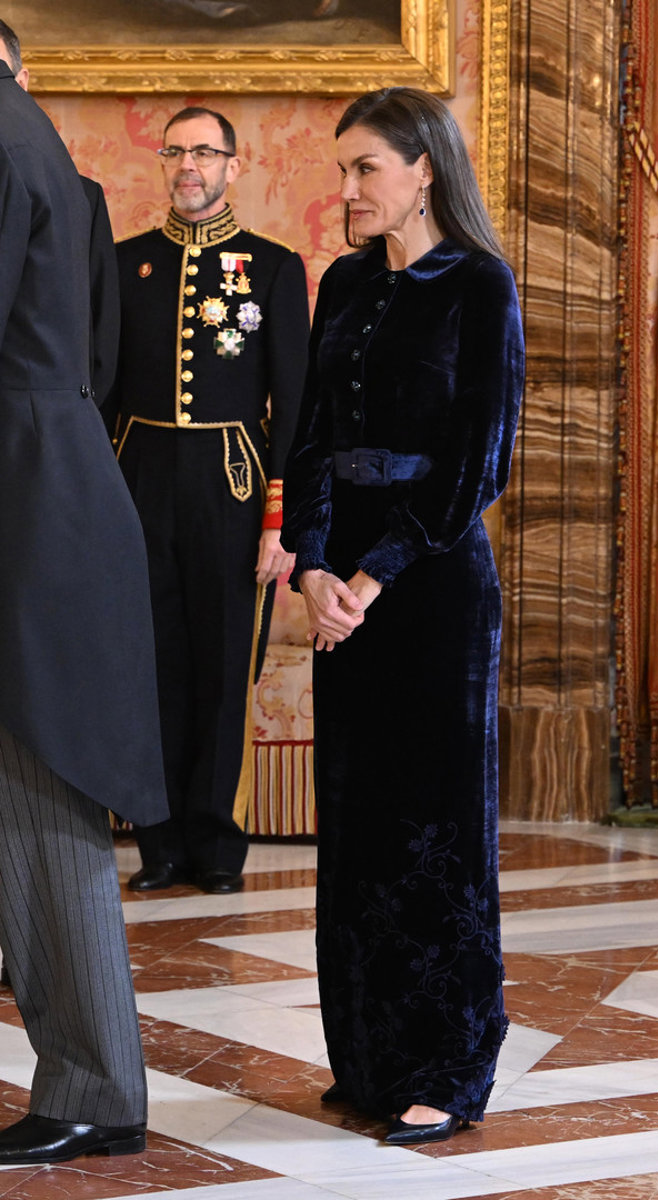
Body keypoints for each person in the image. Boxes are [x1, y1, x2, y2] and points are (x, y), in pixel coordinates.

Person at [282, 86, 525, 1145]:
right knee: (359, 832)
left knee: (436, 834)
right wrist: (311, 571)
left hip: (431, 593)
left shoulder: (480, 284)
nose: (347, 189)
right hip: (343, 593)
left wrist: (371, 578)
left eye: (365, 168)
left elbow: (480, 461)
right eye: (342, 170)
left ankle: (448, 1066)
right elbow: (308, 440)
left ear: (424, 169)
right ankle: (372, 1059)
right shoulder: (341, 283)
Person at [0, 17, 168, 1164]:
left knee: (43, 796)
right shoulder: (28, 131)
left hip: (31, 505)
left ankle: (97, 1090)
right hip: (44, 482)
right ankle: (86, 1080)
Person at [106, 106, 309, 895]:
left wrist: (279, 520)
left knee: (225, 668)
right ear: (162, 162)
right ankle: (157, 845)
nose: (188, 165)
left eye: (204, 152)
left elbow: (293, 404)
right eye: (176, 151)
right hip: (138, 478)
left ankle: (218, 846)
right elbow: (102, 390)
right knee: (149, 665)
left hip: (233, 482)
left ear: (233, 164)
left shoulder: (273, 267)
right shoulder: (124, 264)